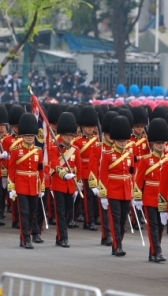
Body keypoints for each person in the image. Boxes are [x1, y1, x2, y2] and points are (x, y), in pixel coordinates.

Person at [99, 116, 134, 257]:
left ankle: (118, 242)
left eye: (124, 140)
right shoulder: (107, 155)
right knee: (115, 218)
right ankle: (117, 246)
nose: (122, 143)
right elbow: (102, 175)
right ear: (114, 140)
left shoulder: (129, 155)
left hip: (126, 190)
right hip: (113, 191)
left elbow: (132, 173)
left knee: (123, 220)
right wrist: (103, 194)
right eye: (120, 140)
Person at [8, 113, 44, 249]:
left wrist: (42, 187)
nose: (30, 138)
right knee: (24, 212)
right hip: (21, 185)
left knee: (32, 212)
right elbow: (11, 170)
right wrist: (11, 188)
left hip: (34, 186)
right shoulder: (16, 151)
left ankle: (26, 234)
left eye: (31, 136)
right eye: (27, 135)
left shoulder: (38, 151)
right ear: (23, 136)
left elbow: (40, 170)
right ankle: (26, 238)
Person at [137, 118, 168, 262]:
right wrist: (137, 197)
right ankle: (157, 252)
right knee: (153, 226)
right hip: (149, 196)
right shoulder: (145, 159)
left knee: (160, 228)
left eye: (162, 143)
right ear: (152, 144)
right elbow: (139, 179)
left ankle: (153, 252)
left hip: (163, 199)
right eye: (158, 143)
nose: (161, 146)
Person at [49, 112, 81, 248]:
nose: (69, 137)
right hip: (59, 184)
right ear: (61, 135)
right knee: (60, 213)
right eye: (67, 135)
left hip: (70, 186)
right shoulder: (54, 148)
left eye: (71, 135)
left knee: (68, 212)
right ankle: (63, 238)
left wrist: (77, 184)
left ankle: (59, 237)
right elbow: (55, 164)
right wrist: (63, 174)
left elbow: (78, 169)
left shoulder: (75, 150)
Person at [88, 111, 118, 246]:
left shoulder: (120, 149)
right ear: (104, 134)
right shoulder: (98, 148)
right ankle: (107, 235)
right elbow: (92, 167)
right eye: (109, 134)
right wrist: (94, 184)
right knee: (105, 212)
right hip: (103, 183)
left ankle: (112, 235)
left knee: (116, 214)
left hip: (117, 184)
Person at [72, 106, 99, 231]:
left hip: (95, 173)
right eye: (87, 126)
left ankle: (95, 217)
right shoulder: (77, 141)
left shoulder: (98, 140)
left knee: (95, 199)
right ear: (82, 127)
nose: (90, 129)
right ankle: (88, 221)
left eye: (92, 126)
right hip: (84, 173)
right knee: (87, 199)